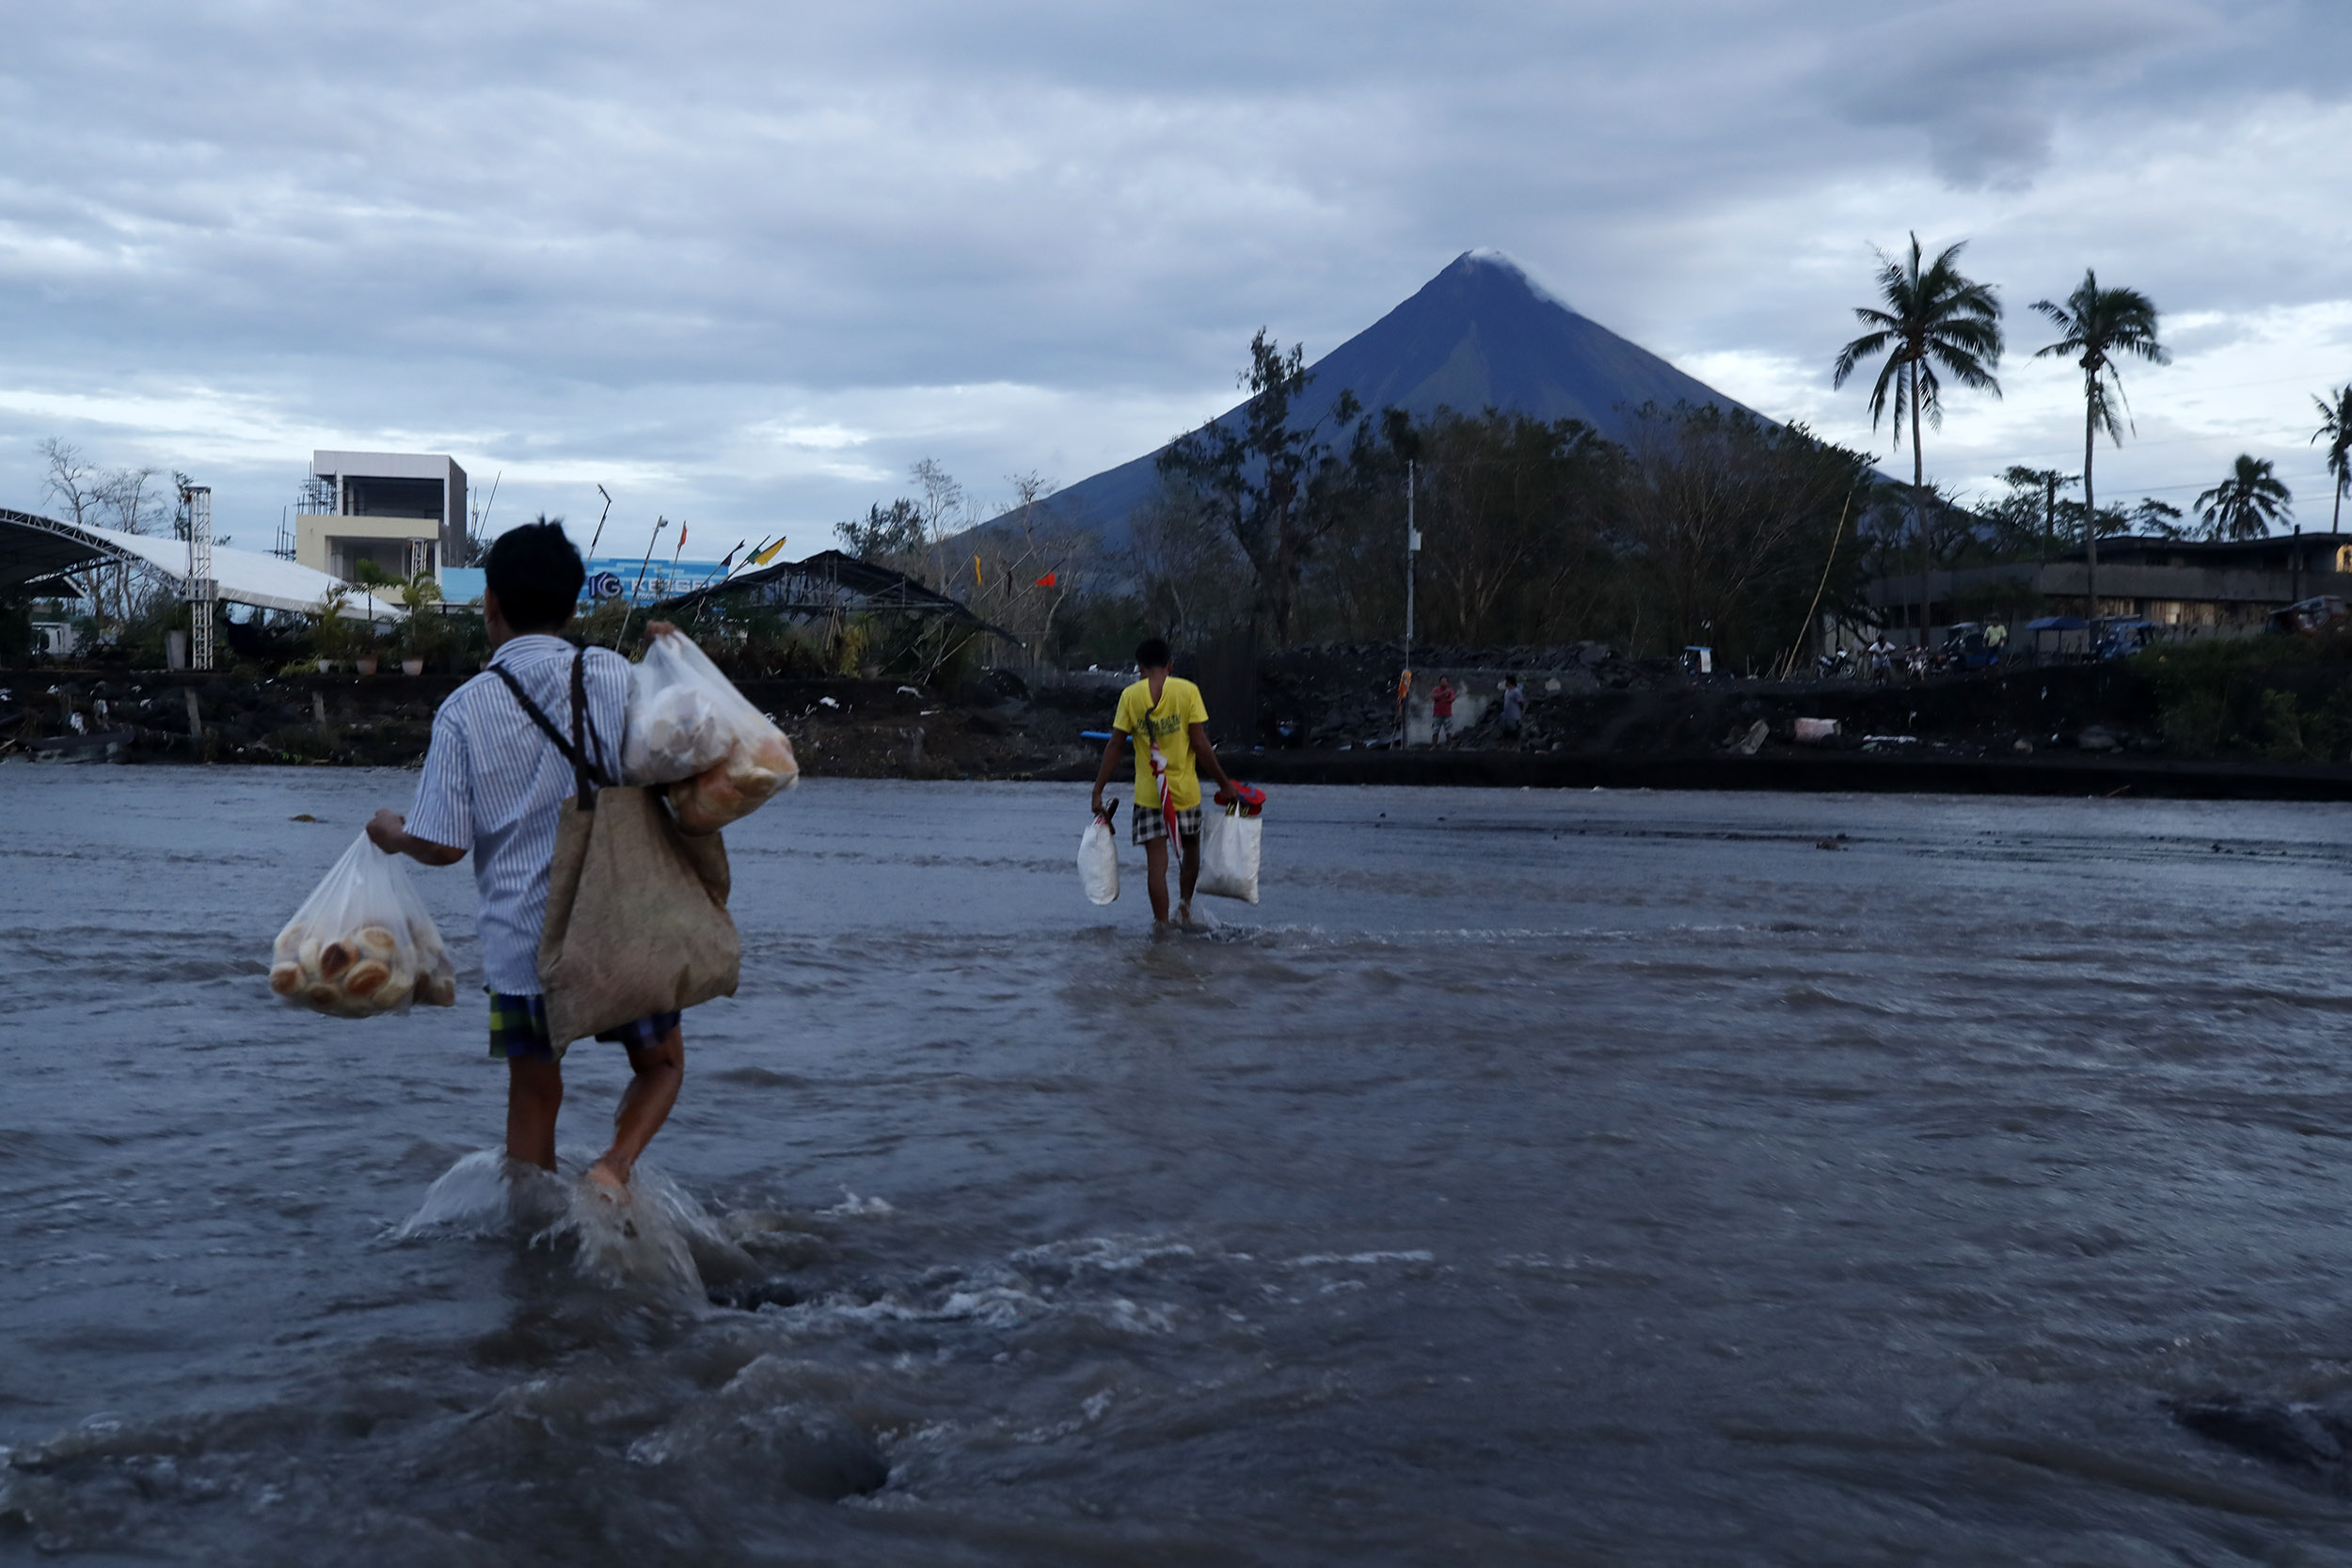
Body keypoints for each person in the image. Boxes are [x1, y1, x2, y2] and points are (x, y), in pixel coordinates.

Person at [364, 518, 687, 1198]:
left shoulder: (463, 709)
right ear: (572, 609)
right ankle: (614, 1167)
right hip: (619, 928)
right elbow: (670, 761)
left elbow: (445, 845)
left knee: (534, 1095)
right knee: (660, 1066)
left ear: (490, 604)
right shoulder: (610, 675)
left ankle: (530, 1247)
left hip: (523, 946)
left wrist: (394, 833)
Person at [1089, 638, 1238, 928]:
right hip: (1184, 792)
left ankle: (1161, 926)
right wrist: (1224, 783)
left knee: (1156, 866)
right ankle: (1184, 906)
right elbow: (1201, 744)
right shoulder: (1187, 691)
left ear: (1139, 667)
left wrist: (1098, 791)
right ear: (1170, 665)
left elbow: (1115, 746)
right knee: (1191, 848)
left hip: (1149, 796)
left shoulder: (1131, 697)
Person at [1429, 675, 1456, 744]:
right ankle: (1434, 746)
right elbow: (1433, 696)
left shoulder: (1450, 691)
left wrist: (1442, 699)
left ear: (1447, 682)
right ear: (1439, 682)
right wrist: (1443, 694)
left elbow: (1452, 698)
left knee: (1449, 731)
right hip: (1437, 714)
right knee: (1435, 731)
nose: (1443, 683)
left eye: (1444, 681)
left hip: (1447, 714)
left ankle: (1449, 746)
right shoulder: (1436, 689)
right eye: (1442, 681)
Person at [1499, 674, 1524, 744]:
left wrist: (1520, 712)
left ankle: (1515, 748)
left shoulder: (1517, 691)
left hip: (1514, 717)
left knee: (1514, 733)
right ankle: (1507, 749)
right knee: (1506, 733)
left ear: (1510, 682)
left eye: (1507, 682)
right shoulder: (1507, 691)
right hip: (1507, 716)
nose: (1505, 683)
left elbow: (1521, 703)